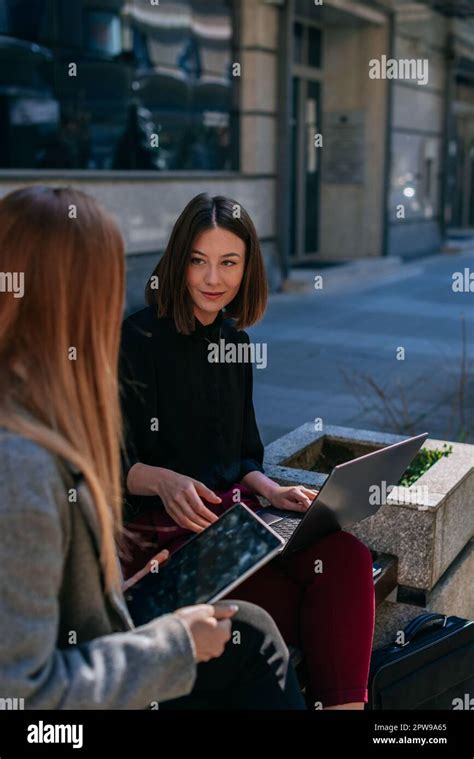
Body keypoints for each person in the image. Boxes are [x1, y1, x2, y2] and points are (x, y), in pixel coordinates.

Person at [0, 186, 305, 711]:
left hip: (119, 618)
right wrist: (173, 646)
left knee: (254, 628)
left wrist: (114, 591)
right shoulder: (21, 460)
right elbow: (22, 696)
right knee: (249, 638)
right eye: (104, 286)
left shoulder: (36, 414)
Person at [119, 193, 376, 711]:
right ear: (178, 261)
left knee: (347, 557)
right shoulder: (138, 338)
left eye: (229, 263)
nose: (213, 278)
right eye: (199, 261)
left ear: (248, 267)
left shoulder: (234, 341)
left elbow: (242, 455)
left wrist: (270, 488)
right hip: (170, 546)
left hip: (235, 525)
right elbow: (107, 463)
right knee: (291, 607)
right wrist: (162, 479)